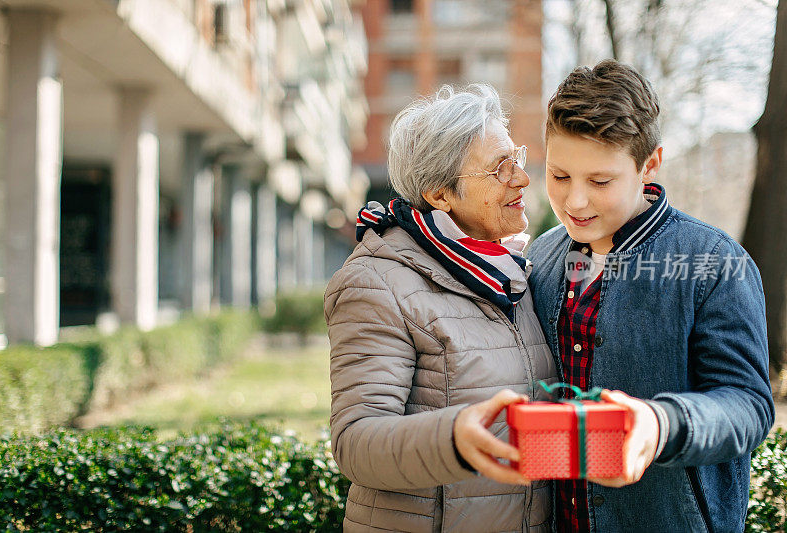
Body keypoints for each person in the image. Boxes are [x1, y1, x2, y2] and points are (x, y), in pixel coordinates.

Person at [526, 59, 775, 533]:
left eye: (600, 181)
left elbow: (748, 405)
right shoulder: (543, 256)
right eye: (560, 177)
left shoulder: (716, 262)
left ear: (649, 165)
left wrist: (662, 424)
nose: (575, 202)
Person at [325, 84, 558, 532]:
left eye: (518, 158)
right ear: (439, 194)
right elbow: (355, 443)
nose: (523, 178)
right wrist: (453, 439)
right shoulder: (376, 282)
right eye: (498, 168)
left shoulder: (513, 272)